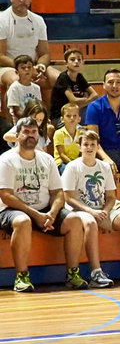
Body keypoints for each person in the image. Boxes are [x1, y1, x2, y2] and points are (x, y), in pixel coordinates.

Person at [0, 116, 88, 292]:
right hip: (12, 210)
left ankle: (73, 274)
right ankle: (22, 277)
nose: (30, 135)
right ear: (17, 135)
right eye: (26, 132)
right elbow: (5, 195)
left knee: (75, 220)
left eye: (34, 132)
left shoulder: (46, 159)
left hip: (45, 210)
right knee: (23, 222)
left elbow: (58, 192)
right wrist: (36, 215)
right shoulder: (6, 159)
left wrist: (52, 214)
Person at [62, 129, 120, 287]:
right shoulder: (72, 167)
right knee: (90, 223)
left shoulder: (104, 167)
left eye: (93, 144)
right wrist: (91, 211)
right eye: (86, 144)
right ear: (80, 147)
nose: (89, 148)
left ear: (98, 147)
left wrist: (105, 210)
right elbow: (68, 198)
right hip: (79, 211)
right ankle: (96, 272)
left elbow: (111, 196)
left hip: (101, 209)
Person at [0, 0, 56, 97]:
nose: (22, 0)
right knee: (17, 82)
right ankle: (10, 115)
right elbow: (0, 56)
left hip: (32, 66)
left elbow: (45, 54)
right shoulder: (2, 19)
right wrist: (24, 68)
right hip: (8, 68)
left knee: (59, 79)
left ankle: (53, 114)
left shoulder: (38, 20)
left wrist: (40, 67)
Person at [83, 68, 120, 172]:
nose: (114, 86)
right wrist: (105, 158)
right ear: (104, 85)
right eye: (110, 82)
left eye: (118, 82)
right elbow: (93, 139)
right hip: (103, 151)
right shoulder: (94, 106)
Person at [49, 48, 97, 123]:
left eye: (79, 59)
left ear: (83, 62)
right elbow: (73, 101)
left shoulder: (80, 77)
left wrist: (83, 101)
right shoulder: (63, 77)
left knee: (92, 115)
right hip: (60, 117)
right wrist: (87, 98)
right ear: (66, 63)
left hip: (76, 114)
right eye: (72, 59)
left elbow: (95, 95)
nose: (76, 62)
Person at [53, 103, 81, 172]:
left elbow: (81, 152)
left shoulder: (81, 133)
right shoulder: (59, 133)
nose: (72, 118)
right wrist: (73, 165)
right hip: (62, 163)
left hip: (77, 162)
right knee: (67, 171)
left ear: (79, 119)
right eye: (68, 116)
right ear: (62, 119)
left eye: (75, 116)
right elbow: (62, 154)